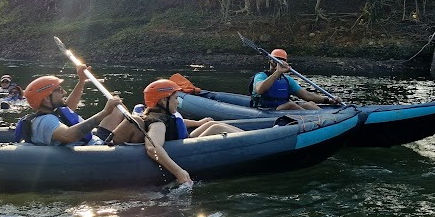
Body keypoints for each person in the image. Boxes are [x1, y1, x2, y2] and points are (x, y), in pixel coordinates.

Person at [111, 79, 243, 185]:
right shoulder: (158, 123)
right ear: (164, 100)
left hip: (181, 141)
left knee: (214, 125)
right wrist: (178, 172)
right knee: (218, 128)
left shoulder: (160, 114)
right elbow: (152, 148)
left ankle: (252, 137)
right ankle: (252, 140)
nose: (178, 102)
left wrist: (198, 123)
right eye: (175, 98)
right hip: (182, 149)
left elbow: (177, 122)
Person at [17, 63, 124, 146]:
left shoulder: (50, 114)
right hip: (96, 150)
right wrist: (104, 113)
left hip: (95, 141)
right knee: (134, 123)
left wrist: (81, 80)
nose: (64, 93)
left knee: (116, 109)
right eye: (59, 90)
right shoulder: (47, 121)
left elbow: (69, 108)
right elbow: (68, 136)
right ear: (46, 99)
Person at [250, 48, 340, 110]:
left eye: (280, 63)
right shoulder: (261, 76)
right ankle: (315, 121)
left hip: (281, 108)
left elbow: (306, 95)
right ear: (270, 61)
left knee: (310, 104)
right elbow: (260, 90)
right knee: (291, 105)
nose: (276, 66)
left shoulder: (287, 80)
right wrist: (278, 72)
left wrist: (328, 100)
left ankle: (326, 118)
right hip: (265, 110)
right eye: (274, 62)